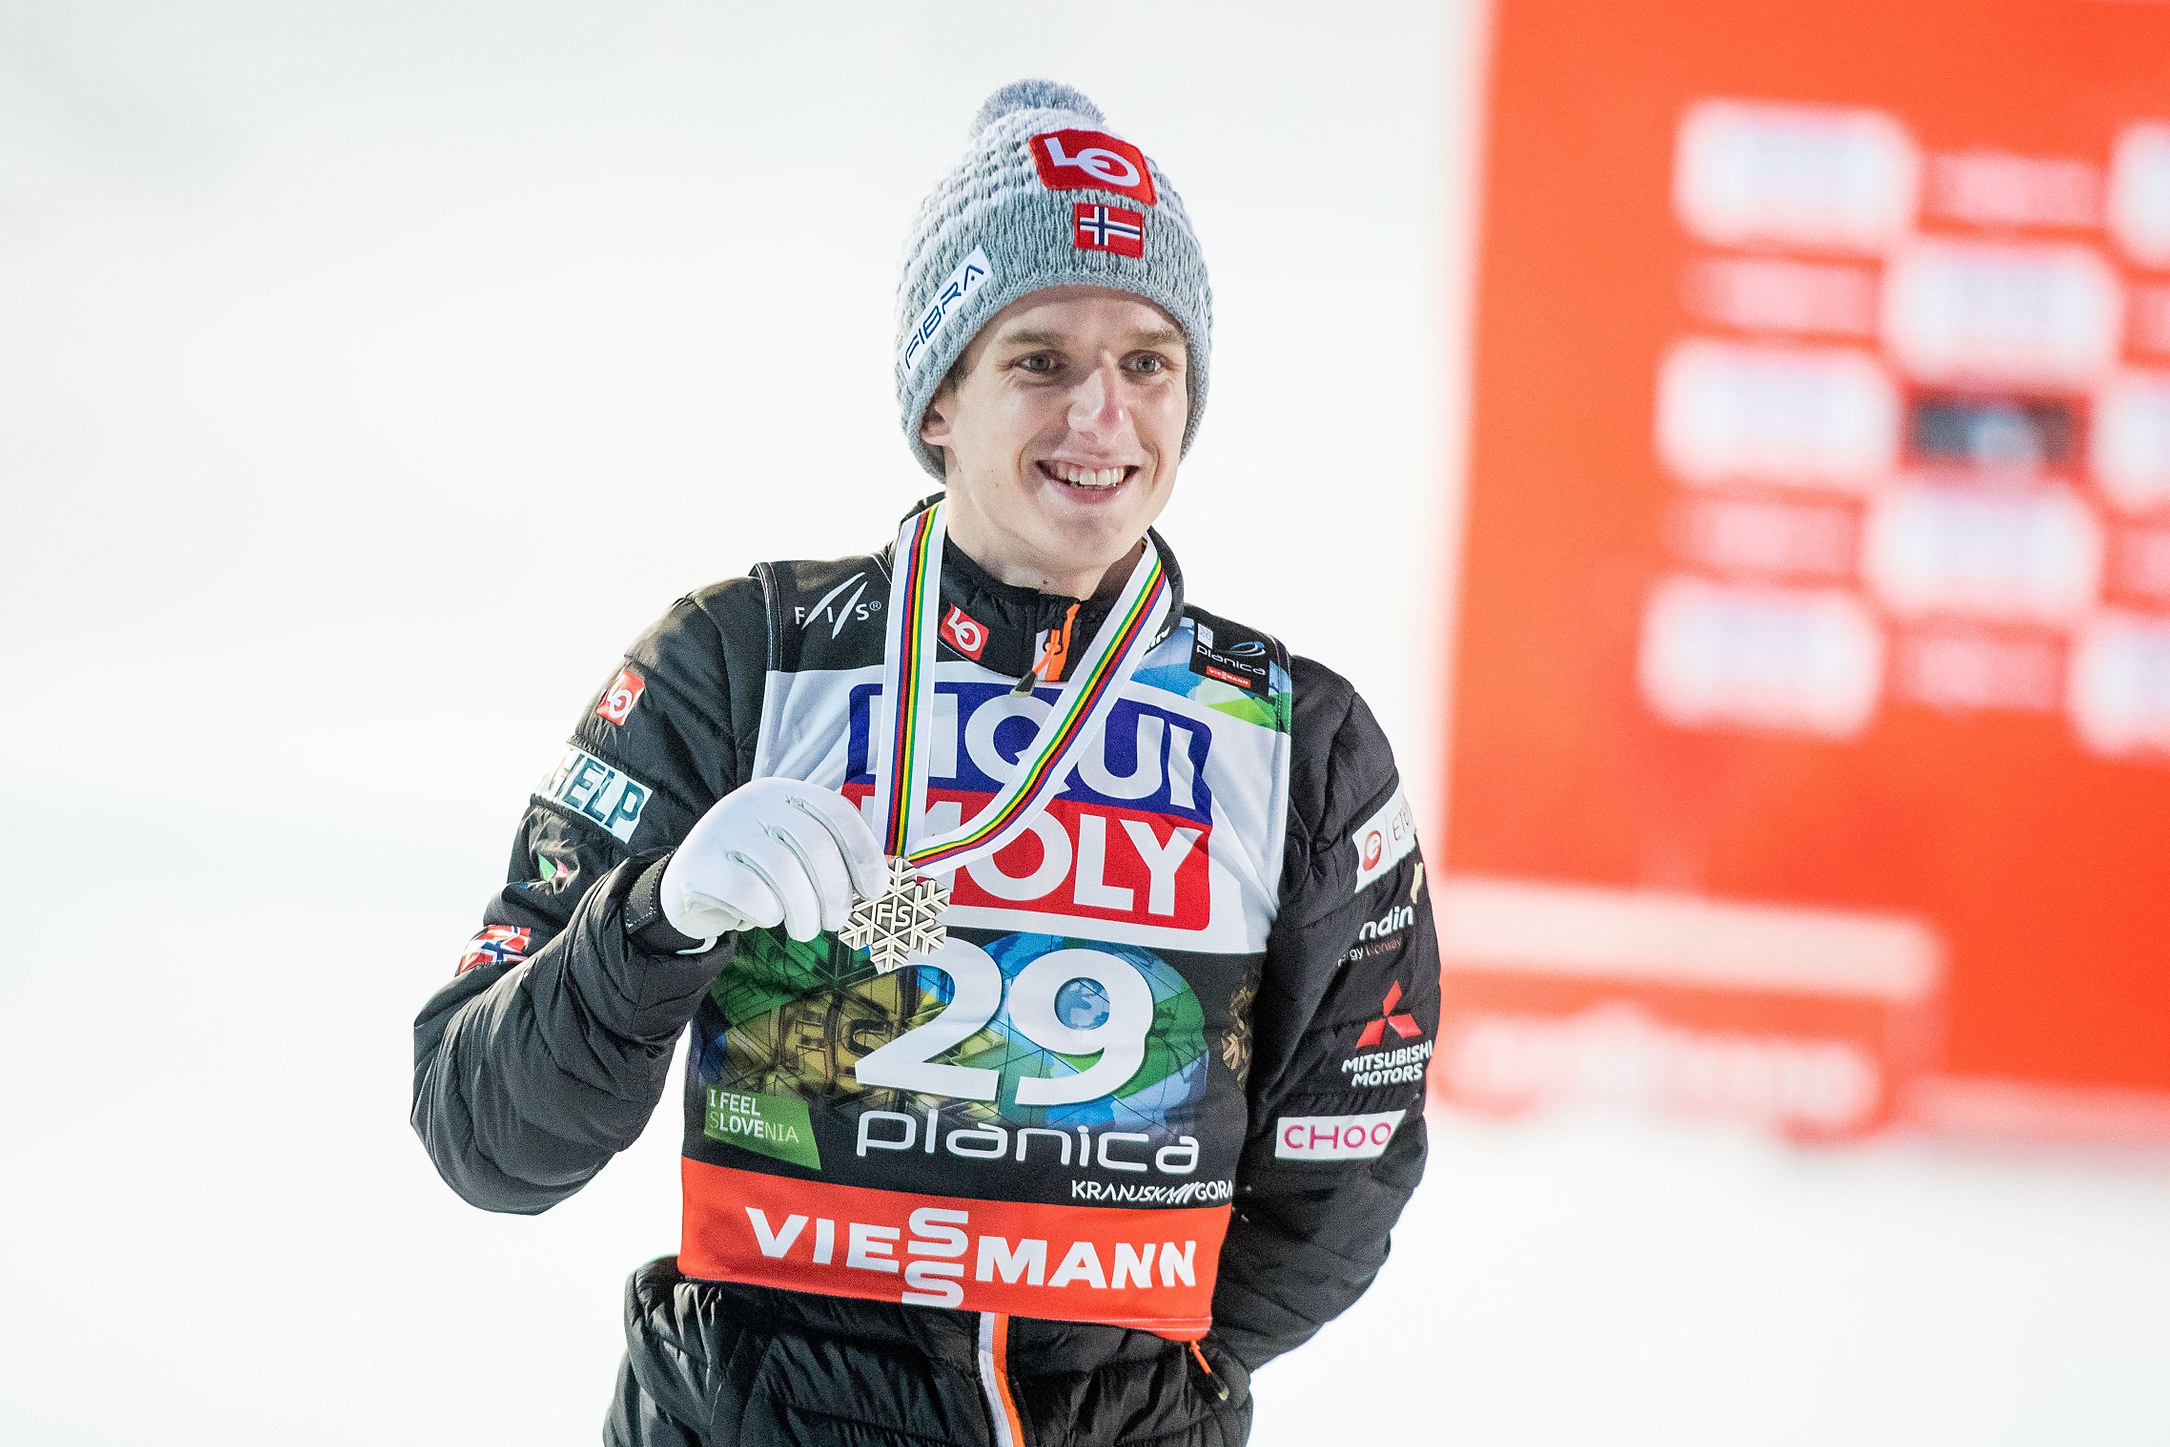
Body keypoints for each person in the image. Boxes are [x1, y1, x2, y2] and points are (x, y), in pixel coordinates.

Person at [411, 79, 1437, 1447]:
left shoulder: (1296, 735)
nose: (1100, 417)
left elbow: (1345, 1155)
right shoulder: (743, 660)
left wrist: (1139, 1388)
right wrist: (654, 920)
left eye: (1146, 361)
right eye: (1038, 360)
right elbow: (485, 1134)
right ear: (939, 398)